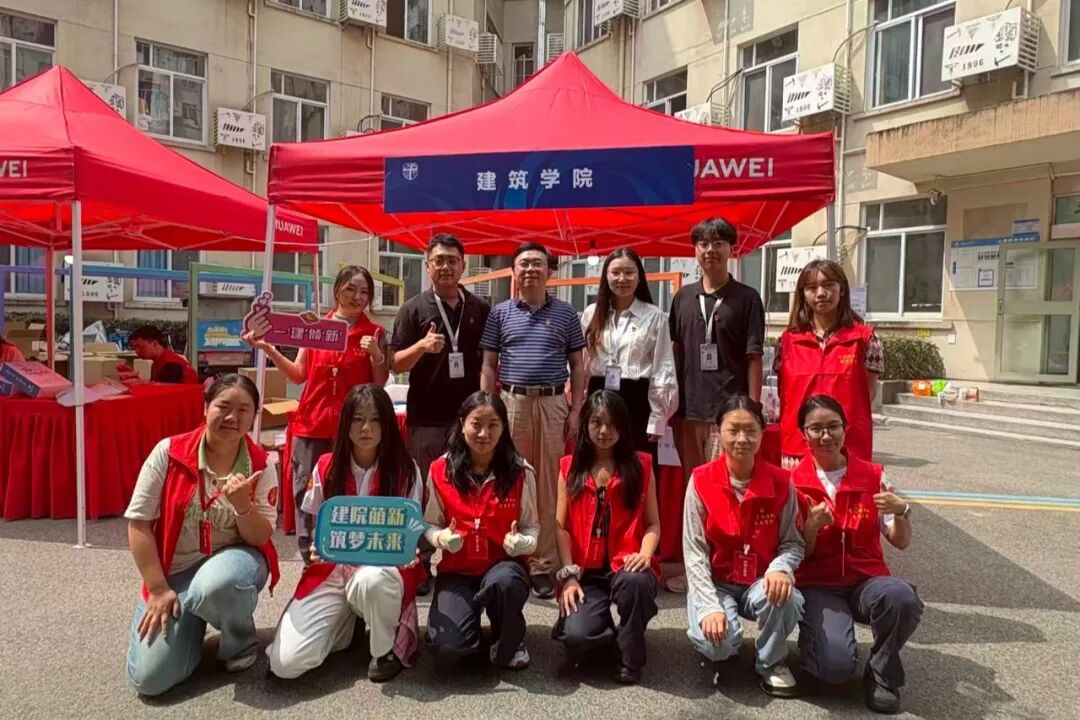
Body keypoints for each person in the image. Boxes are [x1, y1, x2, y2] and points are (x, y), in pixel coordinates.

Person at [124, 373, 280, 696]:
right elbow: (138, 524)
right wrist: (158, 588)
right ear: (205, 407)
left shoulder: (261, 465)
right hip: (176, 573)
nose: (232, 417)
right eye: (223, 406)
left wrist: (243, 507)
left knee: (217, 584)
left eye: (243, 410)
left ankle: (239, 643)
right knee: (150, 681)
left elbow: (260, 537)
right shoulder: (169, 453)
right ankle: (190, 630)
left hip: (234, 562)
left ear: (254, 416)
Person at [267, 384, 426, 683]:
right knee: (285, 664)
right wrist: (317, 549)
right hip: (333, 570)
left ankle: (384, 651)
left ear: (388, 424)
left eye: (376, 419)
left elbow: (410, 531)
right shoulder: (326, 467)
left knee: (372, 581)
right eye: (358, 419)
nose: (366, 428)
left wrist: (409, 551)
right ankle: (345, 628)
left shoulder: (406, 470)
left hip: (382, 571)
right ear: (346, 423)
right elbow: (318, 525)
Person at [243, 264, 389, 563]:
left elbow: (379, 383)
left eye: (364, 292)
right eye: (351, 289)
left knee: (348, 489)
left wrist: (376, 354)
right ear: (337, 290)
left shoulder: (374, 332)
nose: (357, 297)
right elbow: (299, 374)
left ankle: (347, 553)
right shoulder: (315, 328)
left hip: (352, 429)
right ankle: (310, 557)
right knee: (306, 491)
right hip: (312, 424)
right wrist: (269, 349)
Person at [792, 394, 921, 714]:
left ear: (846, 428)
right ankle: (820, 641)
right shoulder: (793, 483)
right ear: (803, 434)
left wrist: (902, 512)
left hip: (867, 581)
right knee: (834, 669)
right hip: (818, 584)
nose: (826, 436)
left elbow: (901, 541)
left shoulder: (873, 476)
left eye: (833, 426)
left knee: (901, 597)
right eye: (816, 429)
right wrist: (811, 528)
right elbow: (797, 554)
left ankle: (882, 672)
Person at [480, 242, 585, 599]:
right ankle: (511, 556)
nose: (530, 269)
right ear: (513, 272)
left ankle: (543, 563)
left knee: (549, 482)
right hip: (511, 403)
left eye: (537, 264)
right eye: (523, 264)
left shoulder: (566, 314)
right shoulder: (500, 313)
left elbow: (578, 365)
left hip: (553, 403)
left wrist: (576, 409)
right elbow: (489, 364)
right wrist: (488, 408)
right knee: (512, 478)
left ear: (549, 272)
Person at [667, 217, 765, 593]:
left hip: (730, 414)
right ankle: (698, 569)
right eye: (704, 243)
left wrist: (752, 409)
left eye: (718, 243)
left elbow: (754, 357)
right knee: (696, 492)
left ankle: (726, 569)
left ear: (731, 249)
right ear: (695, 251)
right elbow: (675, 354)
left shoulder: (747, 298)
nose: (711, 250)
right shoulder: (682, 298)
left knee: (728, 491)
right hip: (688, 412)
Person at [683, 395, 804, 699]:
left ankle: (771, 661)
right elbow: (694, 552)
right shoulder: (700, 480)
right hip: (716, 583)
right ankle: (726, 636)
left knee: (788, 597)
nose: (742, 439)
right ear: (718, 432)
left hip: (759, 582)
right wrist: (709, 607)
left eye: (751, 431)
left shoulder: (781, 482)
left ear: (762, 433)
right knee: (718, 646)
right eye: (733, 430)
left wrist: (781, 568)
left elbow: (792, 542)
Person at [423, 391, 539, 670]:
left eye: (493, 425)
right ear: (462, 424)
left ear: (504, 428)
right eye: (476, 424)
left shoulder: (520, 472)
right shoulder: (440, 470)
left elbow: (532, 527)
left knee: (505, 583)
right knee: (448, 651)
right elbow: (429, 523)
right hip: (458, 571)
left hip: (503, 568)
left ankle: (509, 636)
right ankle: (469, 631)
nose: (484, 434)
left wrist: (523, 543)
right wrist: (439, 537)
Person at [552, 390, 661, 685]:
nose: (604, 431)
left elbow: (653, 524)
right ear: (585, 424)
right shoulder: (569, 467)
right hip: (584, 571)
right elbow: (560, 527)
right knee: (577, 636)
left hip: (625, 564)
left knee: (637, 583)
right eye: (596, 422)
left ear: (623, 426)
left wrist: (645, 555)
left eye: (612, 424)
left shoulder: (641, 466)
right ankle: (607, 631)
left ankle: (630, 658)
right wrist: (568, 576)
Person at [390, 233, 490, 479]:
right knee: (426, 484)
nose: (446, 267)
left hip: (470, 418)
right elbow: (395, 364)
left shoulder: (480, 308)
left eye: (452, 261)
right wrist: (421, 346)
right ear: (428, 266)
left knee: (467, 484)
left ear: (463, 265)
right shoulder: (412, 309)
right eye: (439, 260)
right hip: (426, 420)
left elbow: (490, 361)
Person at [776, 259, 883, 469]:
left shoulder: (866, 339)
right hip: (798, 449)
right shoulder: (786, 341)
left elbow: (868, 394)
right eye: (811, 287)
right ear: (803, 294)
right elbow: (784, 395)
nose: (821, 293)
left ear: (841, 289)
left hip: (849, 447)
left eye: (828, 285)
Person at [581, 248, 677, 460]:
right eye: (615, 273)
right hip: (598, 394)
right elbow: (584, 363)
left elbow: (663, 367)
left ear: (639, 277)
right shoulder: (591, 313)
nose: (622, 279)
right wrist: (580, 406)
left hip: (636, 398)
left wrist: (658, 417)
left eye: (629, 272)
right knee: (597, 463)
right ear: (606, 276)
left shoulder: (655, 316)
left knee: (636, 464)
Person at [129, 326, 199, 384]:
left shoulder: (171, 365)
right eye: (135, 348)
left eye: (141, 347)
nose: (137, 351)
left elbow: (167, 392)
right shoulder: (157, 362)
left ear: (155, 343)